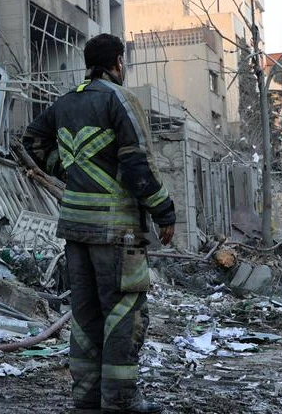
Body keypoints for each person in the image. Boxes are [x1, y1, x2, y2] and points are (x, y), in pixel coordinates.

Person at [24, 33, 175, 414]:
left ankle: (87, 399)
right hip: (117, 231)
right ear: (118, 62)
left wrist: (71, 172)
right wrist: (163, 211)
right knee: (125, 311)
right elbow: (138, 165)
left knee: (86, 314)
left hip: (75, 228)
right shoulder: (120, 99)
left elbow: (31, 142)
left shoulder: (65, 102)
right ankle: (120, 400)